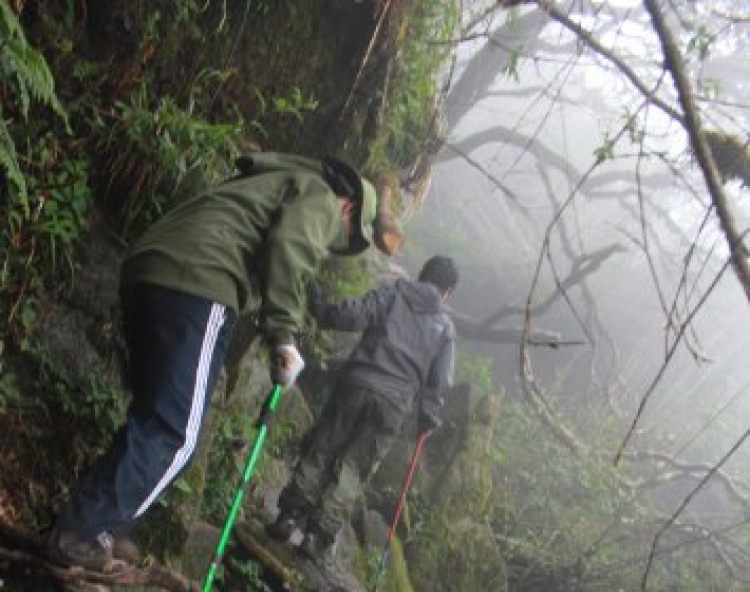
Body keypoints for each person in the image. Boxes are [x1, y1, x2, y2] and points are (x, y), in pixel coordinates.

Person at [49, 152, 381, 570]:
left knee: (153, 417)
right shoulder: (319, 194)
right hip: (202, 280)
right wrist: (284, 335)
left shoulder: (272, 181)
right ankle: (82, 531)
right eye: (344, 236)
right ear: (347, 205)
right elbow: (291, 247)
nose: (334, 245)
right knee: (177, 431)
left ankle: (105, 525)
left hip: (148, 269)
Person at [267, 254, 459, 561]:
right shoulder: (445, 330)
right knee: (354, 469)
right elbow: (440, 383)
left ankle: (288, 516)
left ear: (422, 275)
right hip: (393, 405)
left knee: (323, 446)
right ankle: (316, 538)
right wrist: (429, 417)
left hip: (357, 382)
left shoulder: (394, 291)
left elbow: (354, 315)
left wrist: (322, 307)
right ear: (447, 292)